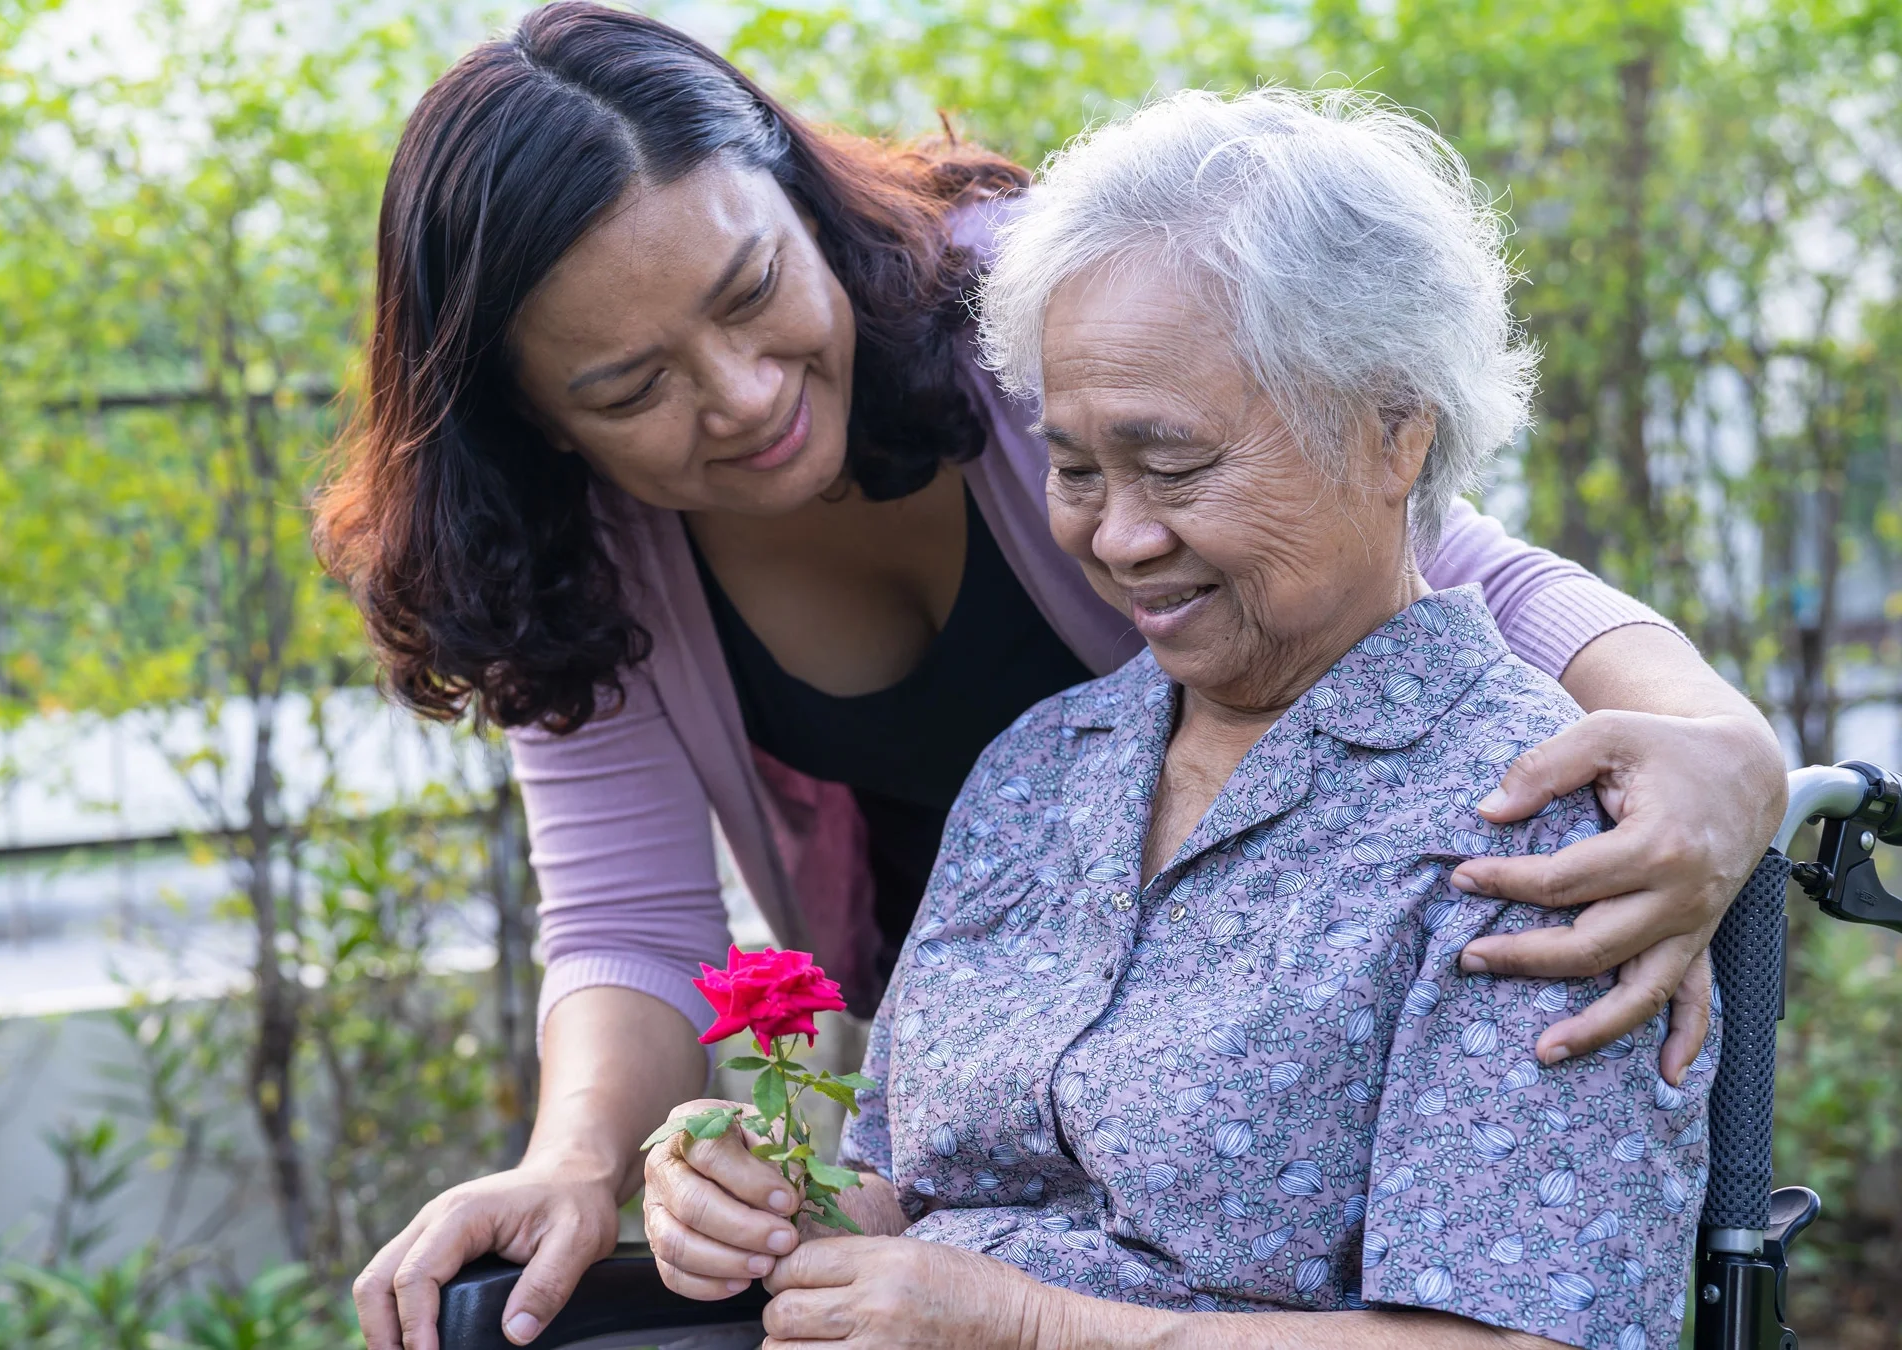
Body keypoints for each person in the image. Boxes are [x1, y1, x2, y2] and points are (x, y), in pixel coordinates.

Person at [318, 6, 1782, 1346]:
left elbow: (1434, 563)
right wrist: (701, 1180)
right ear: (538, 423)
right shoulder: (1035, 775)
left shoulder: (1504, 820)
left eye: (752, 289)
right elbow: (675, 965)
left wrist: (1713, 737)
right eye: (630, 386)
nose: (744, 393)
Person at [645, 88, 1713, 1350]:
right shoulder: (1040, 770)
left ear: (1394, 436)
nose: (1120, 537)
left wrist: (1026, 1328)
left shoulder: (1534, 828)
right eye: (1079, 469)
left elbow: (1529, 1341)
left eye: (1177, 465)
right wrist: (764, 1204)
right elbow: (907, 1192)